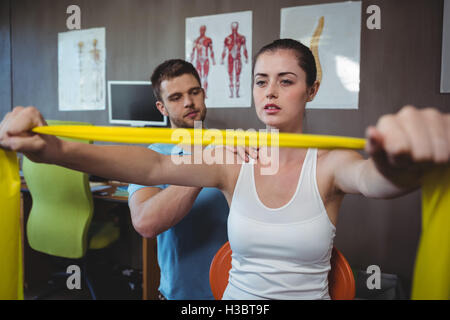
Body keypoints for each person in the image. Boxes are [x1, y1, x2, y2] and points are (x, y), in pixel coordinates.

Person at [1, 39, 449, 300]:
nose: (270, 91)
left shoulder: (332, 163)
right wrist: (55, 149)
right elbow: (155, 164)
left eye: (286, 81)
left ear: (311, 90)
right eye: (260, 80)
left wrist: (405, 163)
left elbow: (376, 180)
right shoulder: (230, 156)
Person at [127, 59, 230, 300]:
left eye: (194, 92)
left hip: (236, 293)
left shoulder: (230, 146)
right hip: (182, 295)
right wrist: (204, 165)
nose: (188, 102)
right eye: (175, 97)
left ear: (203, 95)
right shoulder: (153, 156)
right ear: (161, 108)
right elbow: (146, 223)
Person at [221, 21, 248, 98]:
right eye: (233, 28)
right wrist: (222, 59)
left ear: (237, 28)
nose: (234, 30)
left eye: (235, 28)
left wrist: (246, 57)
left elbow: (244, 49)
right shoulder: (227, 38)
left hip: (238, 58)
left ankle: (237, 93)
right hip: (230, 58)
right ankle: (232, 94)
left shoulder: (241, 38)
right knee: (230, 76)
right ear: (231, 28)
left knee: (237, 76)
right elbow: (224, 50)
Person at [190, 25, 215, 98]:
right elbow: (193, 51)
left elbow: (211, 50)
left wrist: (213, 60)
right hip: (198, 60)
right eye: (201, 30)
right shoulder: (196, 40)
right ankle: (200, 94)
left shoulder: (208, 39)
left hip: (205, 59)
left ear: (205, 30)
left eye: (203, 30)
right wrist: (191, 60)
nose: (202, 31)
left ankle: (205, 93)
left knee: (205, 77)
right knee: (199, 77)